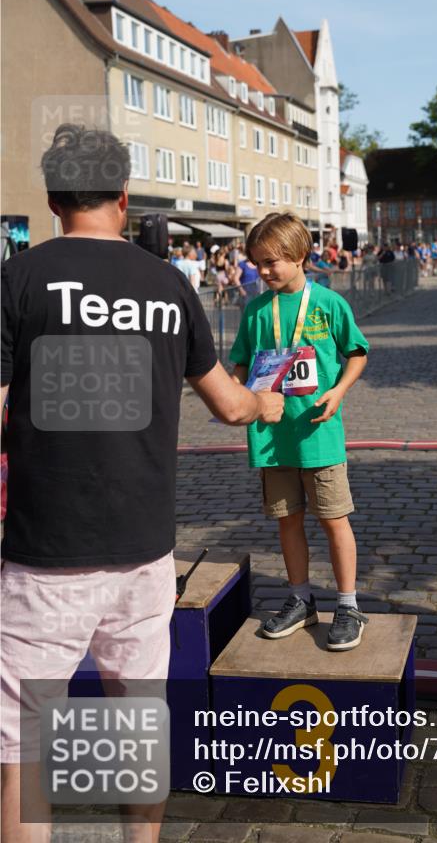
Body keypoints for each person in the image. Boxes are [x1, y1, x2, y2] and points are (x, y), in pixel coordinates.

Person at [0, 124, 284, 843]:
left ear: (54, 198)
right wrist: (265, 402)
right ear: (124, 196)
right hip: (144, 550)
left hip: (45, 552)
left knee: (25, 752)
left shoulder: (18, 279)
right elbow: (228, 405)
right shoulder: (168, 284)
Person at [230, 212, 370, 650]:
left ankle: (347, 605)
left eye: (271, 261)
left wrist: (339, 391)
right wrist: (234, 394)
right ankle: (300, 598)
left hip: (317, 435)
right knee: (287, 521)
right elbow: (240, 362)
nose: (263, 271)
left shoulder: (329, 303)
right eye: (257, 263)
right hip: (273, 438)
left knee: (333, 519)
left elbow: (357, 352)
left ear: (298, 256)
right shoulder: (256, 311)